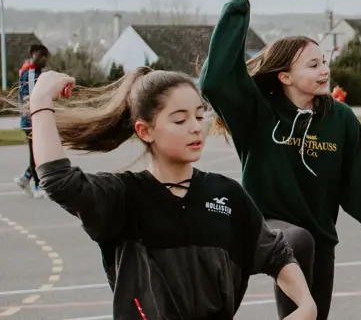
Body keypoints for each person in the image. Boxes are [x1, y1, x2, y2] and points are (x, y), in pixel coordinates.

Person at [24, 68, 316, 320]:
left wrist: (306, 304)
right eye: (179, 120)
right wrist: (40, 103)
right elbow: (58, 180)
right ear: (145, 130)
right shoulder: (123, 197)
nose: (195, 128)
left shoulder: (227, 195)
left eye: (200, 116)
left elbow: (276, 254)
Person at [199, 0, 361, 320]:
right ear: (285, 76)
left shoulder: (340, 118)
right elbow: (216, 82)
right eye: (313, 65)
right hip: (264, 225)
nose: (324, 70)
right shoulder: (257, 113)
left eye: (324, 62)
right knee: (297, 241)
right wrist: (236, 13)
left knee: (314, 309)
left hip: (319, 235)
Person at [14, 44, 51, 198]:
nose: (44, 61)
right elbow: (32, 98)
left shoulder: (34, 72)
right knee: (37, 153)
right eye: (42, 56)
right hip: (32, 121)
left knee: (38, 152)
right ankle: (37, 185)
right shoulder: (30, 73)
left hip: (33, 120)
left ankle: (26, 178)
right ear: (34, 54)